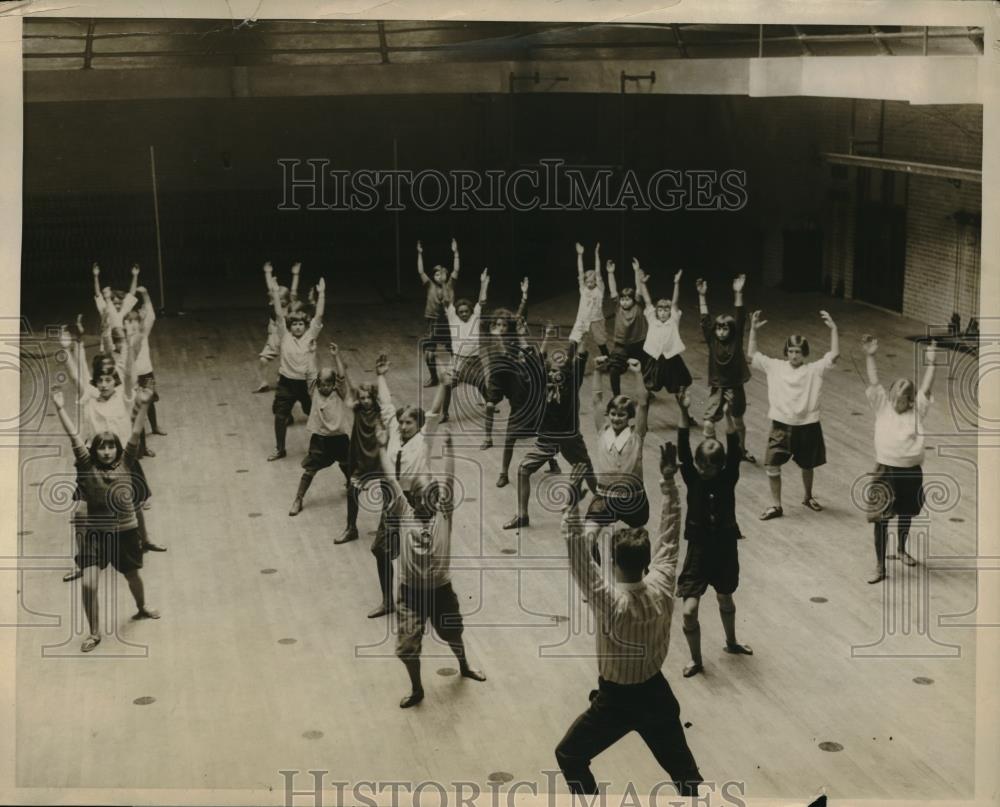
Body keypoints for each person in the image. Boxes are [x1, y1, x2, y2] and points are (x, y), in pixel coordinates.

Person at [554, 448, 702, 799]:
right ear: (646, 560)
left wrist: (573, 504)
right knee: (686, 775)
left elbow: (578, 558)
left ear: (612, 560)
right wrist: (668, 482)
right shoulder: (664, 583)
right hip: (655, 694)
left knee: (569, 755)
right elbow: (670, 536)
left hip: (615, 702)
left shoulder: (612, 603)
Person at [378, 430, 486, 708]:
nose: (433, 500)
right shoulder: (403, 512)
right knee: (407, 648)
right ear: (413, 498)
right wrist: (379, 447)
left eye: (436, 496)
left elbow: (449, 479)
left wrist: (449, 449)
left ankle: (464, 665)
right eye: (427, 496)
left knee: (453, 632)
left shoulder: (444, 514)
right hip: (410, 594)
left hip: (441, 590)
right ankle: (417, 689)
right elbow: (390, 478)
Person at [51, 385, 161, 653]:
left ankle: (141, 607)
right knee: (88, 584)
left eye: (112, 446)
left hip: (125, 532)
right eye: (102, 447)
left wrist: (144, 404)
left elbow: (135, 432)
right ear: (95, 450)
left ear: (117, 449)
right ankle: (94, 633)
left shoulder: (126, 463)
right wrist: (60, 408)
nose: (107, 451)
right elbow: (74, 436)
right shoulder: (87, 467)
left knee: (133, 576)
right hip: (95, 535)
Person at [675, 390, 752, 678]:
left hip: (724, 550)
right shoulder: (691, 477)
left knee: (725, 598)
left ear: (720, 466)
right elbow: (683, 446)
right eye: (701, 466)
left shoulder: (728, 477)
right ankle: (696, 660)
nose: (704, 471)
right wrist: (683, 411)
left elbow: (734, 448)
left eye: (711, 467)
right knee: (687, 612)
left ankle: (731, 642)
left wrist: (730, 414)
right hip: (698, 552)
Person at [748, 310, 840, 520]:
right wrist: (753, 330)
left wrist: (834, 329)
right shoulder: (775, 367)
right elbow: (752, 355)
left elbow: (834, 355)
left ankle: (807, 497)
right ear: (786, 352)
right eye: (790, 351)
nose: (794, 355)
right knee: (771, 464)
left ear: (804, 353)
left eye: (798, 351)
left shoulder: (813, 370)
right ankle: (776, 505)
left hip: (808, 426)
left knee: (807, 465)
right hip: (781, 426)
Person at [861, 336, 938, 583]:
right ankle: (880, 566)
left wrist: (932, 363)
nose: (895, 402)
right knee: (881, 518)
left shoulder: (918, 411)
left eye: (901, 400)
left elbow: (926, 388)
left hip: (910, 472)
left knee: (906, 512)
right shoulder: (882, 406)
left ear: (910, 400)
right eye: (893, 397)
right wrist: (870, 355)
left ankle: (901, 549)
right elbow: (873, 381)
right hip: (885, 471)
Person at [503, 336, 596, 531]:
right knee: (523, 470)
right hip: (546, 438)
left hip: (570, 438)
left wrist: (583, 335)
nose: (554, 374)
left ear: (567, 374)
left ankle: (603, 502)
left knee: (586, 470)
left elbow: (579, 357)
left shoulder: (572, 384)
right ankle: (522, 516)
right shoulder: (542, 385)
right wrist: (537, 338)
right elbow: (538, 359)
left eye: (559, 371)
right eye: (552, 371)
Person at [585, 356, 651, 570]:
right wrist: (597, 371)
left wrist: (638, 373)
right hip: (604, 497)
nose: (616, 418)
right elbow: (596, 400)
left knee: (639, 544)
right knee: (587, 539)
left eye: (621, 415)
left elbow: (643, 402)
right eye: (613, 414)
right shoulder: (602, 431)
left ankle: (643, 576)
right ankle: (593, 577)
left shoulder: (637, 435)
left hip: (633, 499)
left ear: (629, 417)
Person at [288, 342, 354, 519]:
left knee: (347, 464)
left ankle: (350, 484)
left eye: (328, 384)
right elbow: (310, 372)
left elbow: (341, 375)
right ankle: (298, 499)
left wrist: (335, 355)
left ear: (333, 384)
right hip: (320, 440)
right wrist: (311, 353)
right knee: (310, 470)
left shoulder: (339, 392)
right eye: (321, 384)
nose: (324, 387)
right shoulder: (314, 392)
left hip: (340, 438)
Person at [266, 264, 325, 461]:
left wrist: (322, 294)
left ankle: (319, 447)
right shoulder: (284, 336)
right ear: (290, 326)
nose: (298, 327)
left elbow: (319, 315)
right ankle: (280, 449)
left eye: (301, 324)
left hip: (306, 384)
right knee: (280, 415)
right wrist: (275, 293)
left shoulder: (310, 335)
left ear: (305, 326)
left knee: (314, 414)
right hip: (286, 382)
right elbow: (278, 313)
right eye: (295, 324)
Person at [494, 317, 561, 488]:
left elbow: (541, 352)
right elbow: (504, 354)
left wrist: (547, 335)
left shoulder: (537, 370)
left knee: (543, 438)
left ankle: (553, 463)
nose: (524, 357)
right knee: (509, 440)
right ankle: (503, 474)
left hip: (536, 412)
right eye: (522, 356)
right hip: (518, 412)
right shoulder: (513, 370)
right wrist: (500, 338)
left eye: (527, 356)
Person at [697, 275, 754, 462]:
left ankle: (741, 451)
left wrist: (738, 292)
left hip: (735, 386)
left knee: (737, 420)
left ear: (731, 330)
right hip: (718, 387)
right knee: (708, 423)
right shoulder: (712, 340)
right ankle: (712, 455)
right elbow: (705, 319)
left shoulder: (736, 341)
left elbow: (739, 315)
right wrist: (702, 296)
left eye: (725, 329)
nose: (721, 332)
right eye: (718, 328)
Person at [440, 268, 490, 435]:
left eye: (465, 311)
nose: (463, 314)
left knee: (483, 384)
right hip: (458, 360)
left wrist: (483, 283)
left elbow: (482, 301)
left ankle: (490, 405)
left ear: (470, 311)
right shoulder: (452, 318)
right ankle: (444, 413)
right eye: (460, 312)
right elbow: (447, 300)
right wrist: (443, 283)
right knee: (447, 385)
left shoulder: (475, 316)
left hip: (475, 360)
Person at [636, 264, 692, 404]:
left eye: (666, 310)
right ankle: (643, 414)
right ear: (656, 312)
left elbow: (675, 302)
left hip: (671, 359)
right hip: (654, 358)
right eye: (660, 310)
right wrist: (642, 283)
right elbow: (647, 301)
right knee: (648, 384)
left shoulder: (673, 320)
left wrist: (676, 283)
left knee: (678, 386)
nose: (663, 312)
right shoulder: (652, 319)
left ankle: (685, 413)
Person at [417, 238, 460, 387]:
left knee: (454, 348)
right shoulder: (429, 285)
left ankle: (455, 374)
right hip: (433, 320)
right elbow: (421, 271)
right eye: (436, 274)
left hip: (448, 322)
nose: (440, 276)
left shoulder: (450, 285)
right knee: (428, 350)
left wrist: (456, 253)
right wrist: (420, 254)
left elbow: (456, 270)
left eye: (442, 273)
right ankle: (433, 377)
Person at [253, 261, 300, 393]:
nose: (278, 300)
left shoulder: (290, 307)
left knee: (287, 363)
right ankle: (264, 382)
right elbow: (271, 290)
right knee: (263, 360)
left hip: (287, 340)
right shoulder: (273, 305)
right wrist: (268, 273)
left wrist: (295, 274)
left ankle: (286, 380)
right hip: (273, 339)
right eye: (276, 298)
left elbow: (294, 291)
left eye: (281, 299)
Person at [605, 258, 648, 397]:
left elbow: (639, 289)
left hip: (639, 344)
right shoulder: (618, 307)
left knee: (646, 369)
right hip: (621, 345)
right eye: (622, 299)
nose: (624, 301)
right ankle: (616, 397)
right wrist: (610, 273)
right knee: (613, 370)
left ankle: (647, 392)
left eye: (627, 299)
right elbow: (612, 290)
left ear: (633, 299)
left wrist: (636, 271)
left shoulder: (638, 305)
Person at [568, 242, 610, 357]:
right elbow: (580, 271)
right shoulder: (583, 289)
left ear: (596, 281)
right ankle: (568, 362)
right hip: (582, 318)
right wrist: (580, 255)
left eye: (592, 281)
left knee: (601, 342)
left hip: (597, 319)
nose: (589, 284)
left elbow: (598, 271)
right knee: (574, 339)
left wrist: (596, 254)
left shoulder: (600, 289)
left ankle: (609, 361)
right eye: (587, 282)